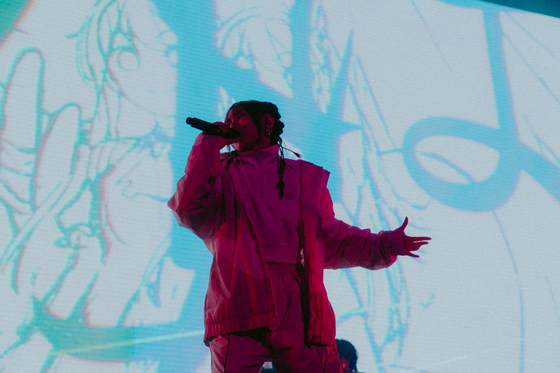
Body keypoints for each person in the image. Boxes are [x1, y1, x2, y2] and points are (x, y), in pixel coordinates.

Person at [168, 100, 430, 372]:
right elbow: (187, 208)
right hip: (238, 297)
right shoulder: (217, 172)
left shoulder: (304, 177)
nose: (230, 123)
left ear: (267, 123)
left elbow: (331, 237)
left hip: (299, 304)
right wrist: (208, 145)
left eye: (239, 116)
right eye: (227, 118)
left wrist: (385, 244)